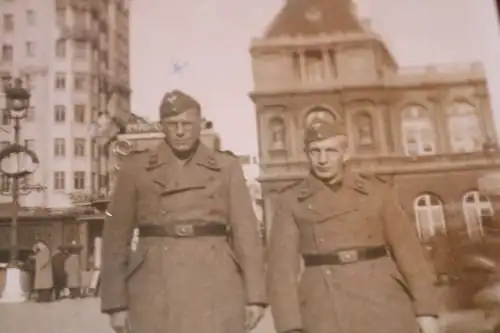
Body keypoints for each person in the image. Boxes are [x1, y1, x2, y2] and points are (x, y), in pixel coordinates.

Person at [100, 89, 267, 333]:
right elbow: (115, 236)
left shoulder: (226, 167)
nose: (180, 131)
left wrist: (255, 297)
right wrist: (116, 304)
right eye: (172, 124)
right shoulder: (135, 168)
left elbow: (246, 233)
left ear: (200, 125)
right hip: (153, 283)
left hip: (216, 279)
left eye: (187, 124)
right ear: (161, 126)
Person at [267, 118, 441, 333]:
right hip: (323, 307)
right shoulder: (291, 201)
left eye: (331, 151)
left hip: (384, 302)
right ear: (307, 154)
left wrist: (426, 311)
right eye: (315, 151)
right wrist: (289, 326)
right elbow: (281, 271)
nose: (323, 160)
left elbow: (409, 254)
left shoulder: (376, 192)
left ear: (345, 154)